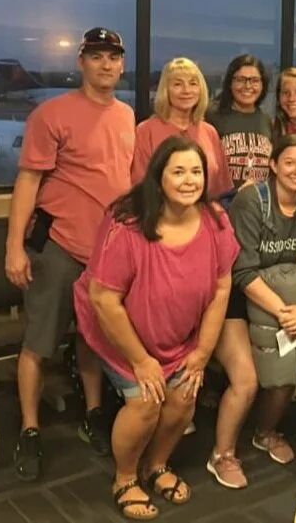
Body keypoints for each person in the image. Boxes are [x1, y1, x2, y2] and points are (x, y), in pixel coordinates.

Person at [73, 136, 239, 520]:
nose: (188, 180)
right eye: (178, 171)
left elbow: (221, 286)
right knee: (146, 402)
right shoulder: (128, 223)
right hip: (120, 333)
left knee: (183, 396)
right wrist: (141, 360)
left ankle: (157, 465)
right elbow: (103, 300)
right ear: (158, 177)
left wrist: (201, 354)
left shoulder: (215, 220)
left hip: (178, 336)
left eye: (196, 171)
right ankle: (125, 477)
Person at [4, 27, 135, 481]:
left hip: (106, 251)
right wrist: (14, 248)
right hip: (59, 246)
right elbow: (28, 182)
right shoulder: (51, 113)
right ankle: (30, 429)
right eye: (96, 56)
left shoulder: (125, 116)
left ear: (121, 64)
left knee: (93, 340)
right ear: (81, 62)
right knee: (40, 342)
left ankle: (94, 414)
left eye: (113, 57)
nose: (105, 64)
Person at [228, 133, 296, 465]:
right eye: (289, 162)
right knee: (246, 381)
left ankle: (266, 431)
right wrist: (286, 312)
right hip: (236, 298)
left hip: (291, 304)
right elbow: (242, 270)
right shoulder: (252, 202)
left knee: (285, 374)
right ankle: (224, 452)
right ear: (273, 165)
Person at [132, 57, 233, 198]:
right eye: (178, 84)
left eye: (193, 84)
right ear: (165, 90)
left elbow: (222, 189)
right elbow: (140, 186)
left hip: (204, 215)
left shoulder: (209, 132)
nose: (186, 90)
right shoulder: (146, 130)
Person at [206, 54, 272, 189]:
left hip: (258, 204)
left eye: (254, 80)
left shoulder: (266, 120)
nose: (247, 86)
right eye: (240, 79)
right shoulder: (212, 115)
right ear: (230, 83)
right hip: (223, 203)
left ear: (262, 85)